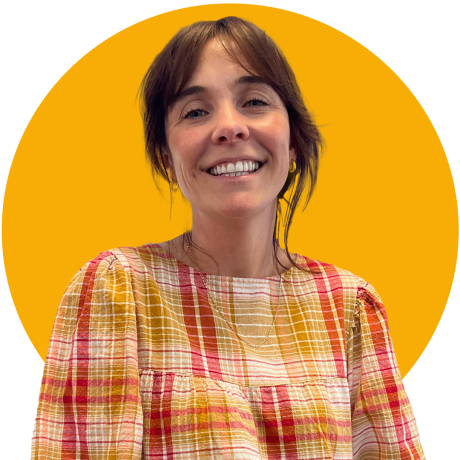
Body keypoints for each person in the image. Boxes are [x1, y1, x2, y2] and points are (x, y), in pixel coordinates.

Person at [31, 16, 426, 459]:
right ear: (166, 157)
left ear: (293, 141)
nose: (230, 127)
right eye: (195, 112)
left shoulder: (350, 307)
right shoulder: (118, 291)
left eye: (254, 101)